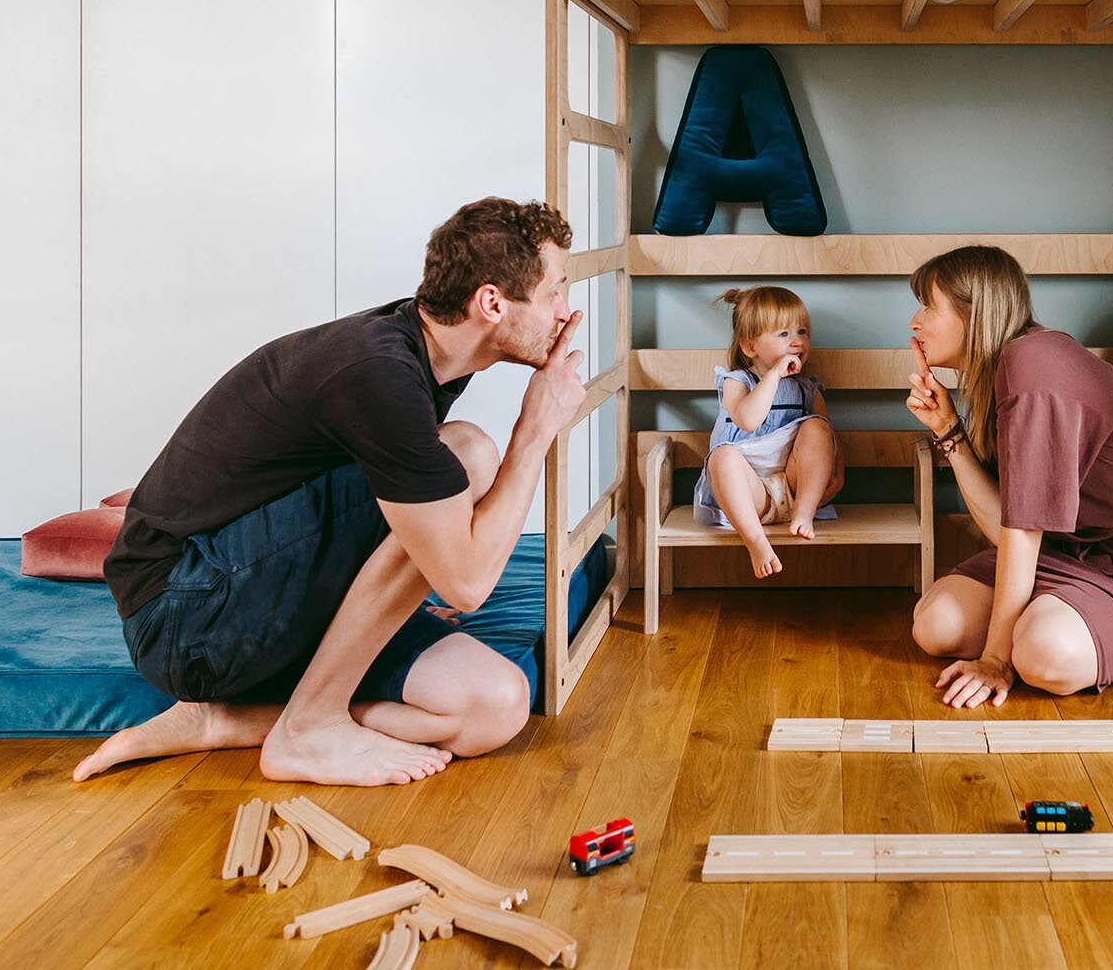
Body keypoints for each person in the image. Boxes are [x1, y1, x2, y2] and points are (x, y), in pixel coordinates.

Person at [73, 197, 587, 787]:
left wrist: (413, 574)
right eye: (554, 293)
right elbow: (466, 585)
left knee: (495, 705)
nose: (563, 312)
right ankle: (309, 727)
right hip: (187, 617)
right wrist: (534, 431)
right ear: (491, 303)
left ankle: (235, 720)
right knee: (468, 453)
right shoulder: (379, 374)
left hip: (271, 597)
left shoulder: (430, 354)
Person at [902, 246, 1113, 709]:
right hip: (1071, 557)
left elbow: (1022, 531)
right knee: (935, 624)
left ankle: (1058, 625)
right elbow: (1006, 527)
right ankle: (1057, 616)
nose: (915, 321)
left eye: (928, 306)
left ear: (975, 314)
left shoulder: (1033, 364)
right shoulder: (1010, 368)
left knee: (1043, 655)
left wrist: (995, 659)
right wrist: (949, 432)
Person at [692, 286, 843, 578]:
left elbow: (828, 441)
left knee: (816, 426)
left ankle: (804, 512)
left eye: (802, 332)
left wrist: (839, 473)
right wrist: (773, 375)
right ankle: (756, 541)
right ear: (751, 347)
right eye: (784, 334)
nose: (797, 341)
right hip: (751, 496)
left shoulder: (807, 387)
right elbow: (748, 420)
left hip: (797, 487)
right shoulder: (737, 381)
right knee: (721, 458)